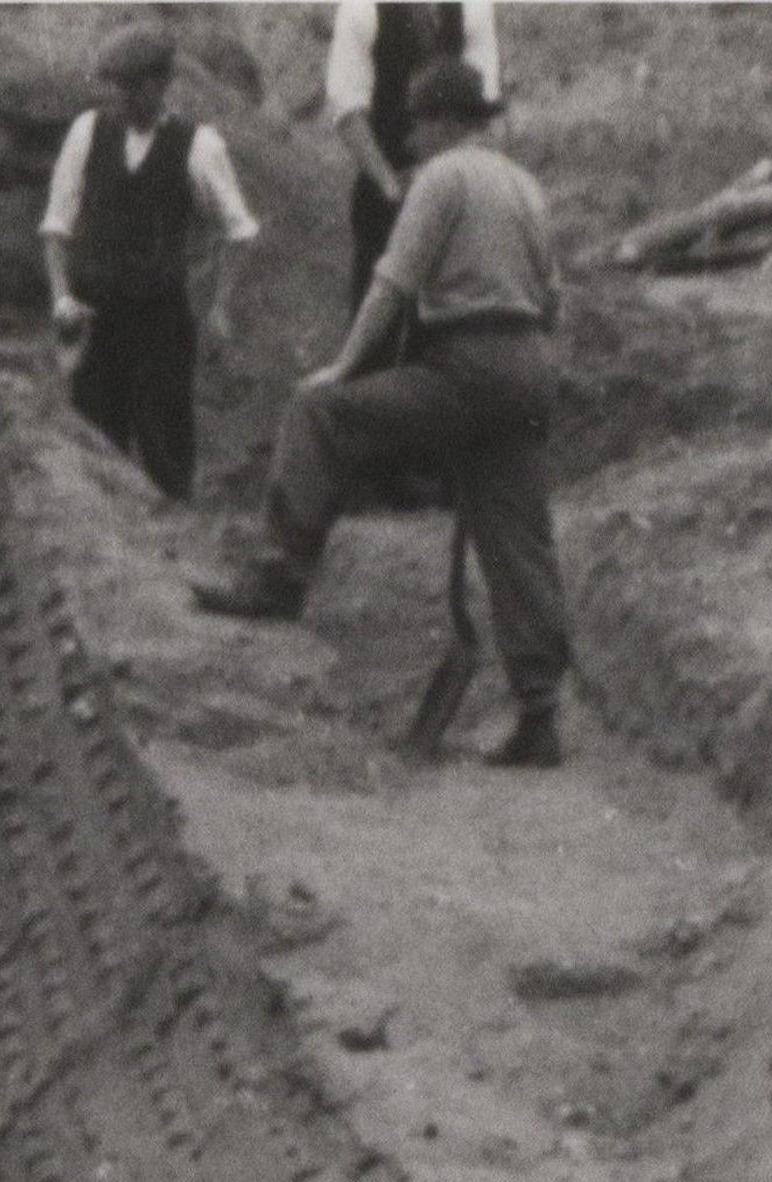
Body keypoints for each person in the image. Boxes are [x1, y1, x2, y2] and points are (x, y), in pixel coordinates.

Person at [193, 58, 571, 770]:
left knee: (320, 415)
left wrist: (343, 368)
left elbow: (390, 285)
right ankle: (540, 712)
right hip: (528, 368)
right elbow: (553, 300)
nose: (412, 137)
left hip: (469, 360)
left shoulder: (442, 179)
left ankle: (277, 576)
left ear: (444, 122)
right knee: (518, 534)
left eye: (419, 123)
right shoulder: (525, 185)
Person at [41, 26, 262, 503]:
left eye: (130, 87)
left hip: (158, 325)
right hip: (95, 321)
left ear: (158, 84)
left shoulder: (199, 146)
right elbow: (56, 228)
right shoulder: (89, 131)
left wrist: (221, 307)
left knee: (166, 452)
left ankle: (175, 555)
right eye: (114, 87)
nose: (119, 99)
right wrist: (61, 296)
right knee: (96, 453)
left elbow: (239, 231)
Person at [324, 0, 500, 315]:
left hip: (457, 192)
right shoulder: (361, 9)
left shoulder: (474, 9)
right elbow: (347, 110)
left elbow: (484, 107)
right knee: (380, 316)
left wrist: (452, 182)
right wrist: (390, 185)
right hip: (388, 191)